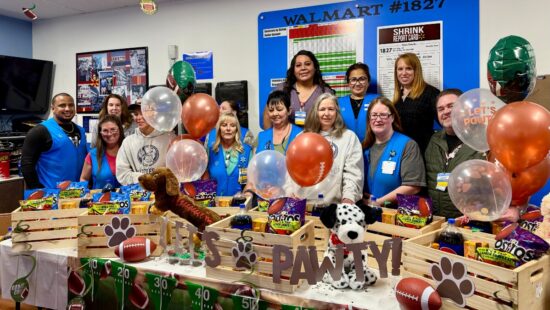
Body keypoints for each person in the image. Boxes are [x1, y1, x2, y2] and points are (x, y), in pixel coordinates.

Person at [425, 89, 485, 218]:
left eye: (451, 106)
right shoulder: (434, 141)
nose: (446, 111)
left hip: (470, 222)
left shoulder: (482, 141)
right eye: (440, 109)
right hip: (437, 221)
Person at [301, 93, 364, 204]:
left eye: (331, 109)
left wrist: (348, 198)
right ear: (315, 112)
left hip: (335, 206)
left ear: (337, 112)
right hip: (305, 204)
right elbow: (293, 170)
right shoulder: (303, 137)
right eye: (322, 109)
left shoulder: (349, 137)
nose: (326, 114)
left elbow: (353, 173)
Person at [363, 96, 426, 205]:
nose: (378, 119)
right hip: (366, 211)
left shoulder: (407, 145)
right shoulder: (364, 147)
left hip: (394, 215)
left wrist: (379, 202)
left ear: (392, 118)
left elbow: (413, 186)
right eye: (374, 115)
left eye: (383, 115)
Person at [21, 93, 87, 189]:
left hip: (77, 192)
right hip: (51, 193)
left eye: (71, 105)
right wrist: (37, 190)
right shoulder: (39, 131)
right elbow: (27, 164)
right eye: (62, 105)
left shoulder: (81, 130)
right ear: (53, 108)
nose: (67, 109)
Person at [116, 102, 175, 185]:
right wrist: (147, 178)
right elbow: (122, 174)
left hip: (163, 193)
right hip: (138, 194)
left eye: (144, 113)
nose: (139, 117)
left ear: (154, 114)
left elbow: (176, 171)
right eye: (136, 114)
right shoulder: (127, 142)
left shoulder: (170, 138)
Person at [270, 50, 333, 127]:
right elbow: (268, 116)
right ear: (293, 70)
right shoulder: (281, 89)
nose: (303, 68)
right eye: (298, 65)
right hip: (288, 138)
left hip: (315, 138)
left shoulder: (325, 93)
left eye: (307, 64)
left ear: (315, 68)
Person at [392, 53, 440, 153]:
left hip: (423, 152)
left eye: (408, 68)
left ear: (416, 71)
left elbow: (446, 123)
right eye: (400, 69)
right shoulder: (397, 98)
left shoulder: (431, 93)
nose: (404, 73)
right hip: (400, 151)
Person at [207, 113, 252, 196]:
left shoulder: (247, 151)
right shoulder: (211, 151)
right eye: (224, 125)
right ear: (219, 129)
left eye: (232, 125)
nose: (228, 129)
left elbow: (250, 182)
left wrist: (245, 195)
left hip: (238, 204)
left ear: (237, 129)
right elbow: (205, 179)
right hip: (215, 204)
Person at [80, 115, 124, 189]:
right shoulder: (93, 155)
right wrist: (85, 193)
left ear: (120, 130)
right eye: (105, 130)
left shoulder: (129, 152)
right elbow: (84, 179)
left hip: (126, 199)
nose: (109, 133)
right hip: (100, 199)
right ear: (100, 133)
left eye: (113, 129)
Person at [339, 62, 378, 142]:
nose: (357, 83)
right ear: (348, 83)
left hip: (373, 149)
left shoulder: (378, 100)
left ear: (368, 81)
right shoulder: (338, 103)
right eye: (353, 80)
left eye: (362, 79)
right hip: (347, 150)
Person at [255, 90, 302, 155]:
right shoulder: (261, 137)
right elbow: (254, 162)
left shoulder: (300, 135)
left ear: (289, 111)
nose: (275, 113)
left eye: (279, 109)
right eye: (271, 110)